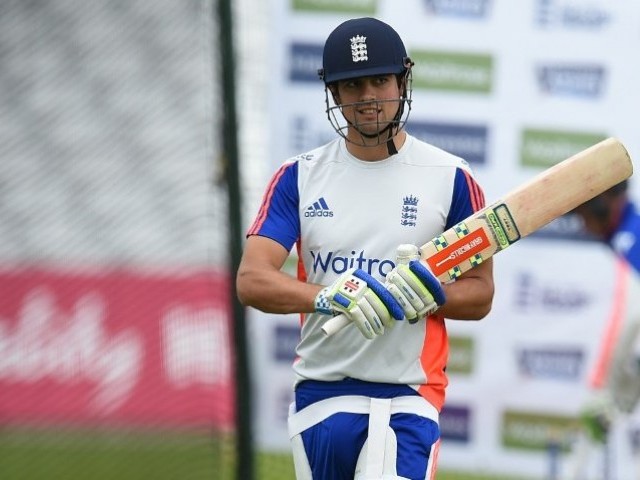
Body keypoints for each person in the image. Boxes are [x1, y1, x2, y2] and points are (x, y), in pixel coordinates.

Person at [236, 17, 494, 480]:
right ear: (334, 95)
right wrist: (326, 295)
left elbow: (480, 293)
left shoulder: (452, 177)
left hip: (410, 395)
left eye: (380, 80)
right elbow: (252, 280)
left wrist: (431, 294)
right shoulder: (299, 175)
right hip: (322, 391)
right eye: (352, 85)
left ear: (402, 81)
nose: (369, 96)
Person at [569, 181, 640, 479]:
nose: (584, 226)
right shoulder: (624, 234)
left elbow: (631, 315)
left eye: (585, 215)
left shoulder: (630, 241)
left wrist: (611, 381)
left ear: (602, 206)